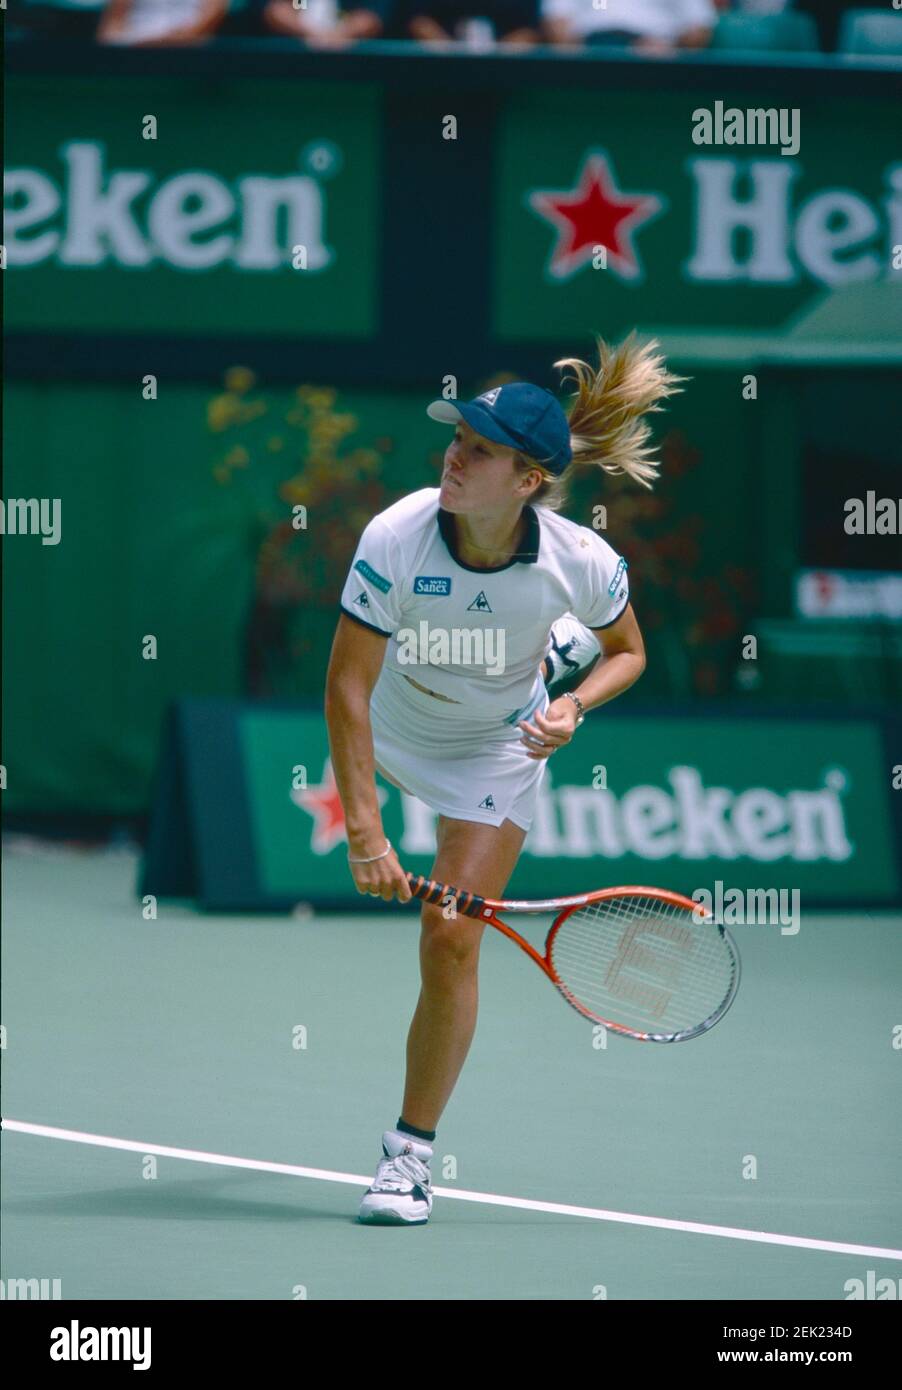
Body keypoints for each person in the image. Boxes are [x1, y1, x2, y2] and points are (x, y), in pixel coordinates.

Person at [325, 334, 683, 1225]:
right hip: (401, 722)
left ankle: (407, 1159)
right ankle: (544, 658)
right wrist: (367, 832)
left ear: (527, 480)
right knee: (524, 659)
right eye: (456, 439)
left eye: (479, 450)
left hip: (495, 748)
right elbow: (345, 687)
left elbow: (631, 652)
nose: (454, 455)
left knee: (449, 934)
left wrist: (577, 708)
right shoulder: (397, 536)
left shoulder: (581, 561)